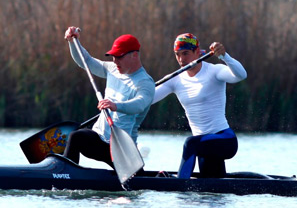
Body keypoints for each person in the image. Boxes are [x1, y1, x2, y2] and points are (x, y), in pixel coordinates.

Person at [153, 33, 247, 178]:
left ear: (197, 52)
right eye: (177, 54)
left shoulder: (214, 71)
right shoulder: (175, 79)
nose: (181, 59)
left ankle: (180, 185)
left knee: (190, 143)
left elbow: (241, 75)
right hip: (203, 145)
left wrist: (224, 56)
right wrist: (117, 104)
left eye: (185, 53)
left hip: (224, 140)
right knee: (212, 188)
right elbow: (147, 100)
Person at [63, 26, 155, 169]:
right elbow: (85, 61)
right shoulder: (112, 69)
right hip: (99, 140)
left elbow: (140, 104)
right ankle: (64, 174)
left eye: (119, 56)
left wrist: (116, 105)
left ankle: (155, 176)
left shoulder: (145, 82)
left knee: (137, 183)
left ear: (134, 55)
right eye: (113, 56)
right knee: (76, 137)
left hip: (122, 149)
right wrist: (73, 41)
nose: (115, 60)